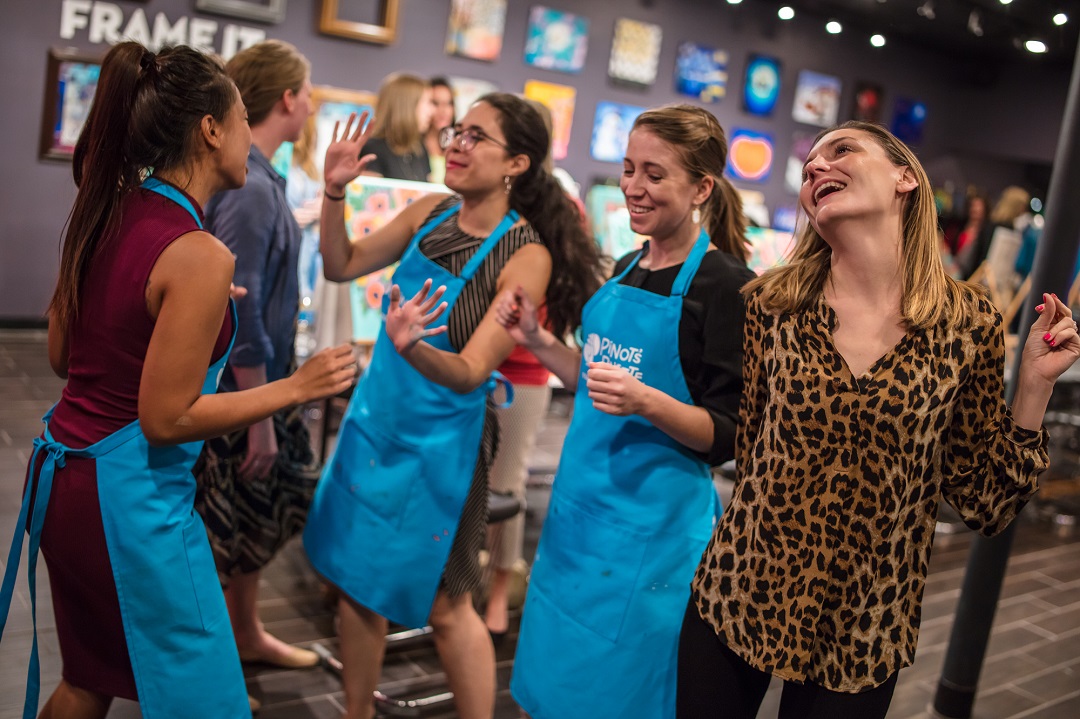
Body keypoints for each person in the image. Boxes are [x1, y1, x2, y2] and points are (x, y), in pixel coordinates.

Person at [0, 41, 355, 719]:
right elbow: (165, 418)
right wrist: (298, 387)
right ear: (211, 129)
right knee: (211, 701)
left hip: (61, 479)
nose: (251, 136)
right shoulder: (199, 253)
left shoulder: (108, 211)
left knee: (88, 678)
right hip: (128, 504)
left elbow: (61, 355)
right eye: (242, 120)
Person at [679, 121, 1079, 719]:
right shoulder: (773, 303)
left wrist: (1033, 387)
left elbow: (983, 502)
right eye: (810, 164)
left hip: (862, 630)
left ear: (905, 178)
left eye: (840, 151)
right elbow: (755, 448)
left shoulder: (967, 324)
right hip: (741, 593)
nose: (817, 167)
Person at [303, 93, 604, 719]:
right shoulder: (432, 211)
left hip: (443, 454)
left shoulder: (526, 256)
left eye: (476, 137)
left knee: (445, 606)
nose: (457, 144)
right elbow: (340, 264)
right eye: (456, 132)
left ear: (516, 163)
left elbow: (470, 373)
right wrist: (334, 195)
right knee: (358, 591)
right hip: (375, 430)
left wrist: (409, 347)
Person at [502, 104, 756, 719]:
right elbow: (593, 378)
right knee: (555, 684)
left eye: (655, 174)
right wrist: (538, 343)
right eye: (629, 168)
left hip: (651, 541)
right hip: (576, 522)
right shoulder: (626, 267)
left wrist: (648, 401)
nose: (634, 188)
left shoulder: (726, 287)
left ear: (701, 188)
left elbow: (729, 437)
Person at [192, 39, 323, 671]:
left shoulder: (264, 179)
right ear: (289, 98)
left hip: (258, 382)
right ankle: (216, 662)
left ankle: (244, 633)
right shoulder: (250, 186)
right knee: (229, 526)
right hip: (244, 388)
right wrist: (260, 419)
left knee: (252, 524)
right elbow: (236, 306)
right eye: (308, 91)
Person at [362, 72, 434, 182]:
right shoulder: (372, 149)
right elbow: (369, 197)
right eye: (428, 102)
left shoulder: (419, 149)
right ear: (407, 106)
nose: (432, 111)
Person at [424, 76, 456, 184]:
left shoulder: (458, 144)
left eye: (449, 103)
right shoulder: (414, 146)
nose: (444, 111)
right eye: (436, 103)